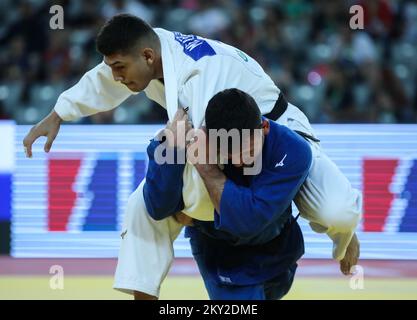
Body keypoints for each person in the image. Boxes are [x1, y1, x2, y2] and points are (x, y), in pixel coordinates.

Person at [22, 14, 361, 299]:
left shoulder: (199, 76)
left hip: (275, 132)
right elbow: (103, 80)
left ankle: (344, 239)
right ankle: (144, 293)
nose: (117, 77)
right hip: (217, 138)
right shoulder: (153, 48)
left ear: (148, 56)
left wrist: (195, 215)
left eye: (121, 67)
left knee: (339, 211)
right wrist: (58, 113)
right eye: (114, 68)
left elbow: (203, 159)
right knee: (140, 208)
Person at [145, 88, 311, 299]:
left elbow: (247, 222)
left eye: (249, 151)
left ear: (265, 127)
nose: (240, 162)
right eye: (229, 155)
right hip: (220, 257)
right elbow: (158, 207)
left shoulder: (293, 150)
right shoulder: (195, 139)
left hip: (277, 254)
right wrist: (172, 148)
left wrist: (206, 168)